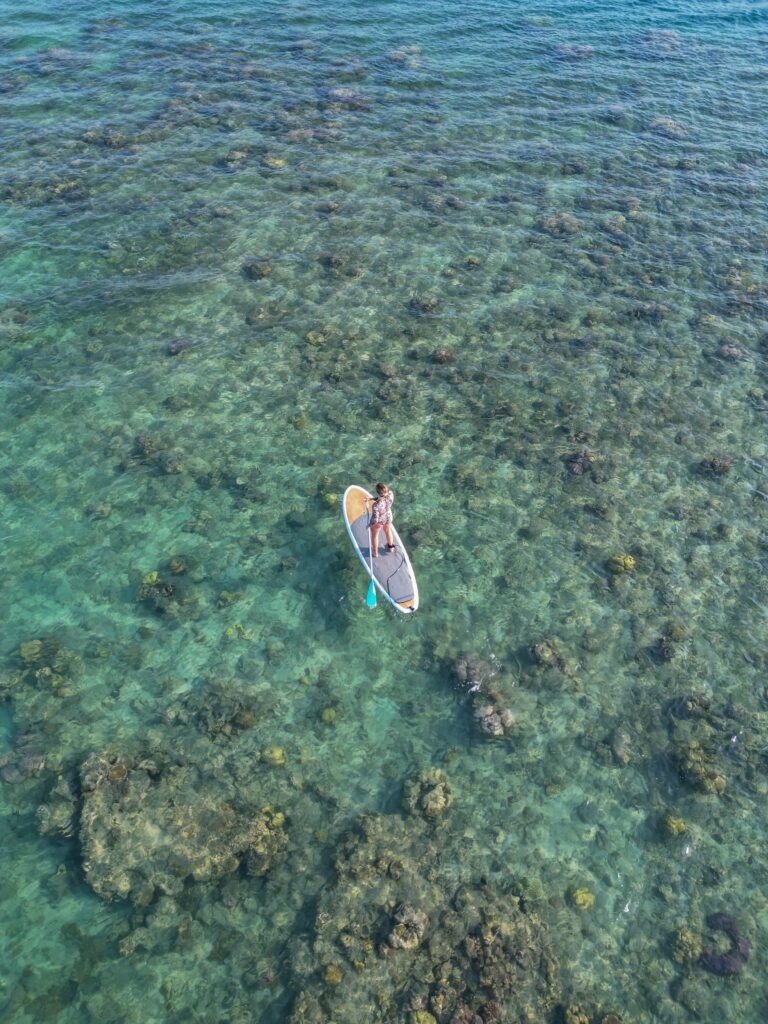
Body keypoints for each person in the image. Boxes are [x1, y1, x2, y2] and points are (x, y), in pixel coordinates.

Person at [368, 483, 395, 557]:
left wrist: (369, 525)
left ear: (377, 492)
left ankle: (375, 553)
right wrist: (372, 498)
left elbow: (375, 519)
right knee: (388, 531)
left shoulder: (375, 505)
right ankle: (391, 548)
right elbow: (383, 497)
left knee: (375, 535)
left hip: (380, 521)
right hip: (388, 517)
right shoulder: (390, 495)